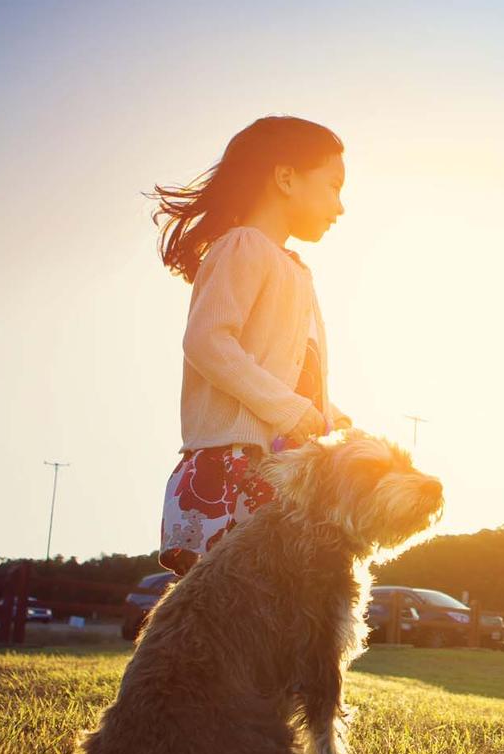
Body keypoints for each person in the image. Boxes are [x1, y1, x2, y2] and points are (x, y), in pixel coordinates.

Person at [145, 115, 354, 576]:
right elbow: (207, 342)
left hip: (278, 468)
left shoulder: (296, 270)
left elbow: (287, 368)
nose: (340, 207)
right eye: (333, 186)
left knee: (268, 616)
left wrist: (327, 413)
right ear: (285, 178)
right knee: (221, 616)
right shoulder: (243, 246)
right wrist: (291, 411)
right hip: (233, 465)